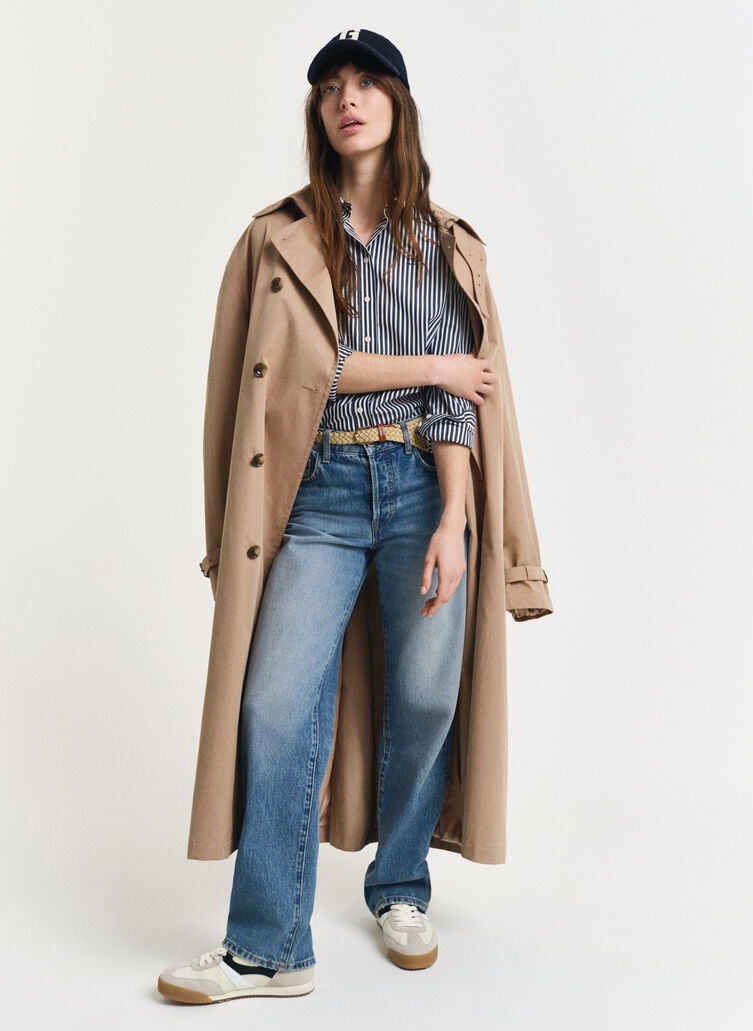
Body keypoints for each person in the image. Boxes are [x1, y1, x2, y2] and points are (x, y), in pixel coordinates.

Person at [158, 29, 506, 1005]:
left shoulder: (437, 238)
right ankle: (270, 946)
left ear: (398, 103)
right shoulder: (284, 239)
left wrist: (455, 514)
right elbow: (312, 373)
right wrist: (435, 364)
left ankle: (400, 884)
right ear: (318, 113)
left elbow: (458, 400)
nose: (346, 100)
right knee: (274, 702)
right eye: (329, 88)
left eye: (365, 84)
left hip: (419, 483)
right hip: (318, 491)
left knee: (428, 695)